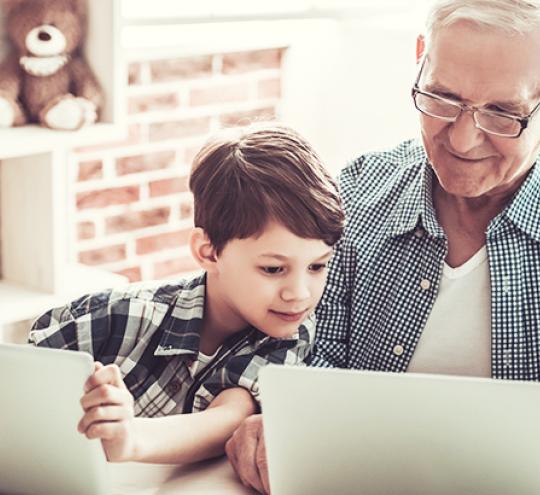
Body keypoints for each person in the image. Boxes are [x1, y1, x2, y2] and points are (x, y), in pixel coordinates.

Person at [225, 1, 540, 492]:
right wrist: (272, 419)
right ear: (420, 59)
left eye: (502, 113)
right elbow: (303, 349)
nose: (462, 137)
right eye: (442, 97)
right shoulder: (353, 193)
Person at [28, 123, 345, 464]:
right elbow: (24, 376)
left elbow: (229, 417)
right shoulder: (121, 316)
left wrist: (130, 436)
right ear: (208, 252)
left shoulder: (290, 338)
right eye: (273, 269)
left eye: (317, 267)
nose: (299, 294)